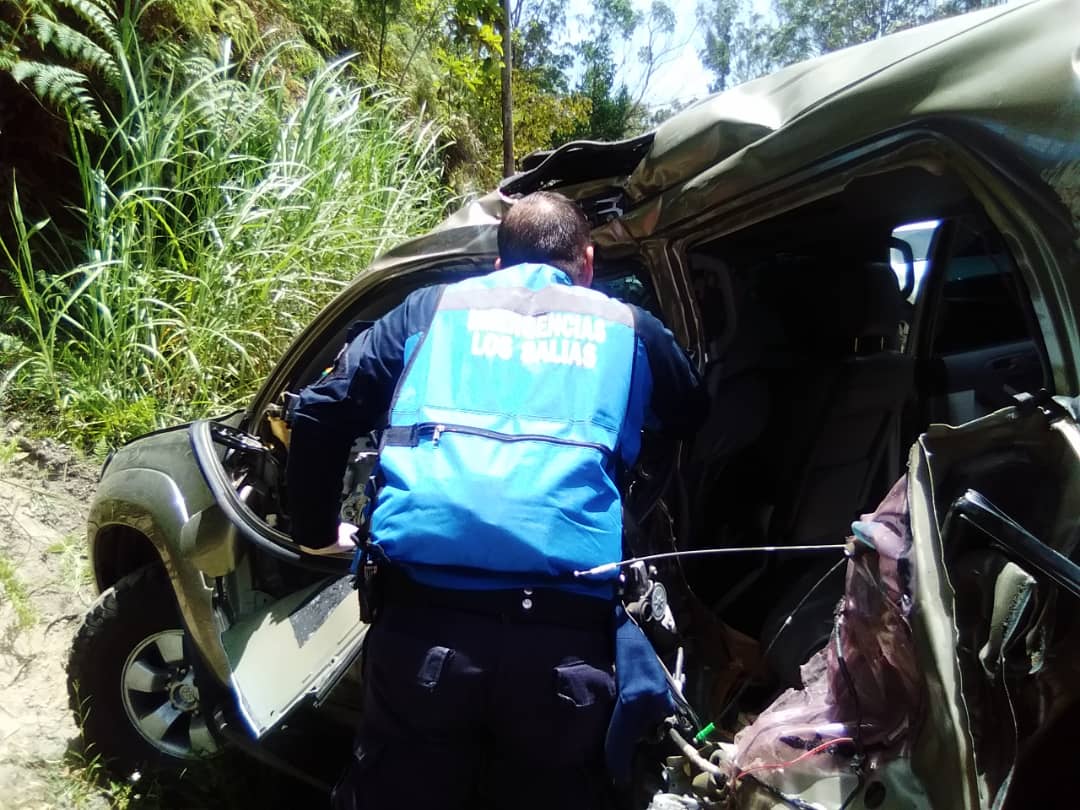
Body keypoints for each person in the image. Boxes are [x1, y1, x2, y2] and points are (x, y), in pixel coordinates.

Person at [285, 191, 706, 809]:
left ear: (496, 262)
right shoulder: (629, 327)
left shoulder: (430, 309)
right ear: (586, 262)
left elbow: (320, 412)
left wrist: (316, 532)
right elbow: (692, 414)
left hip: (423, 633)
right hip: (565, 651)